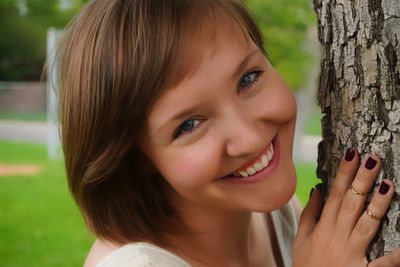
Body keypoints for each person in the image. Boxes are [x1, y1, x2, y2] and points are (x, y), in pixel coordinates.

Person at [56, 0, 400, 266]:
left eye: (248, 78)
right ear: (134, 158)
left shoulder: (276, 217)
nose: (249, 137)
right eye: (189, 124)